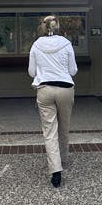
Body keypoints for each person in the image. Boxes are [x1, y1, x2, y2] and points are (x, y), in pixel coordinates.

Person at [28, 15, 78, 188]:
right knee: (64, 126)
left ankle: (55, 169)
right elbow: (73, 70)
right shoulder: (66, 44)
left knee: (49, 130)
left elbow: (31, 72)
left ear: (43, 27)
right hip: (65, 88)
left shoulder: (36, 45)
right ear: (58, 27)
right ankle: (63, 159)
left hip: (45, 89)